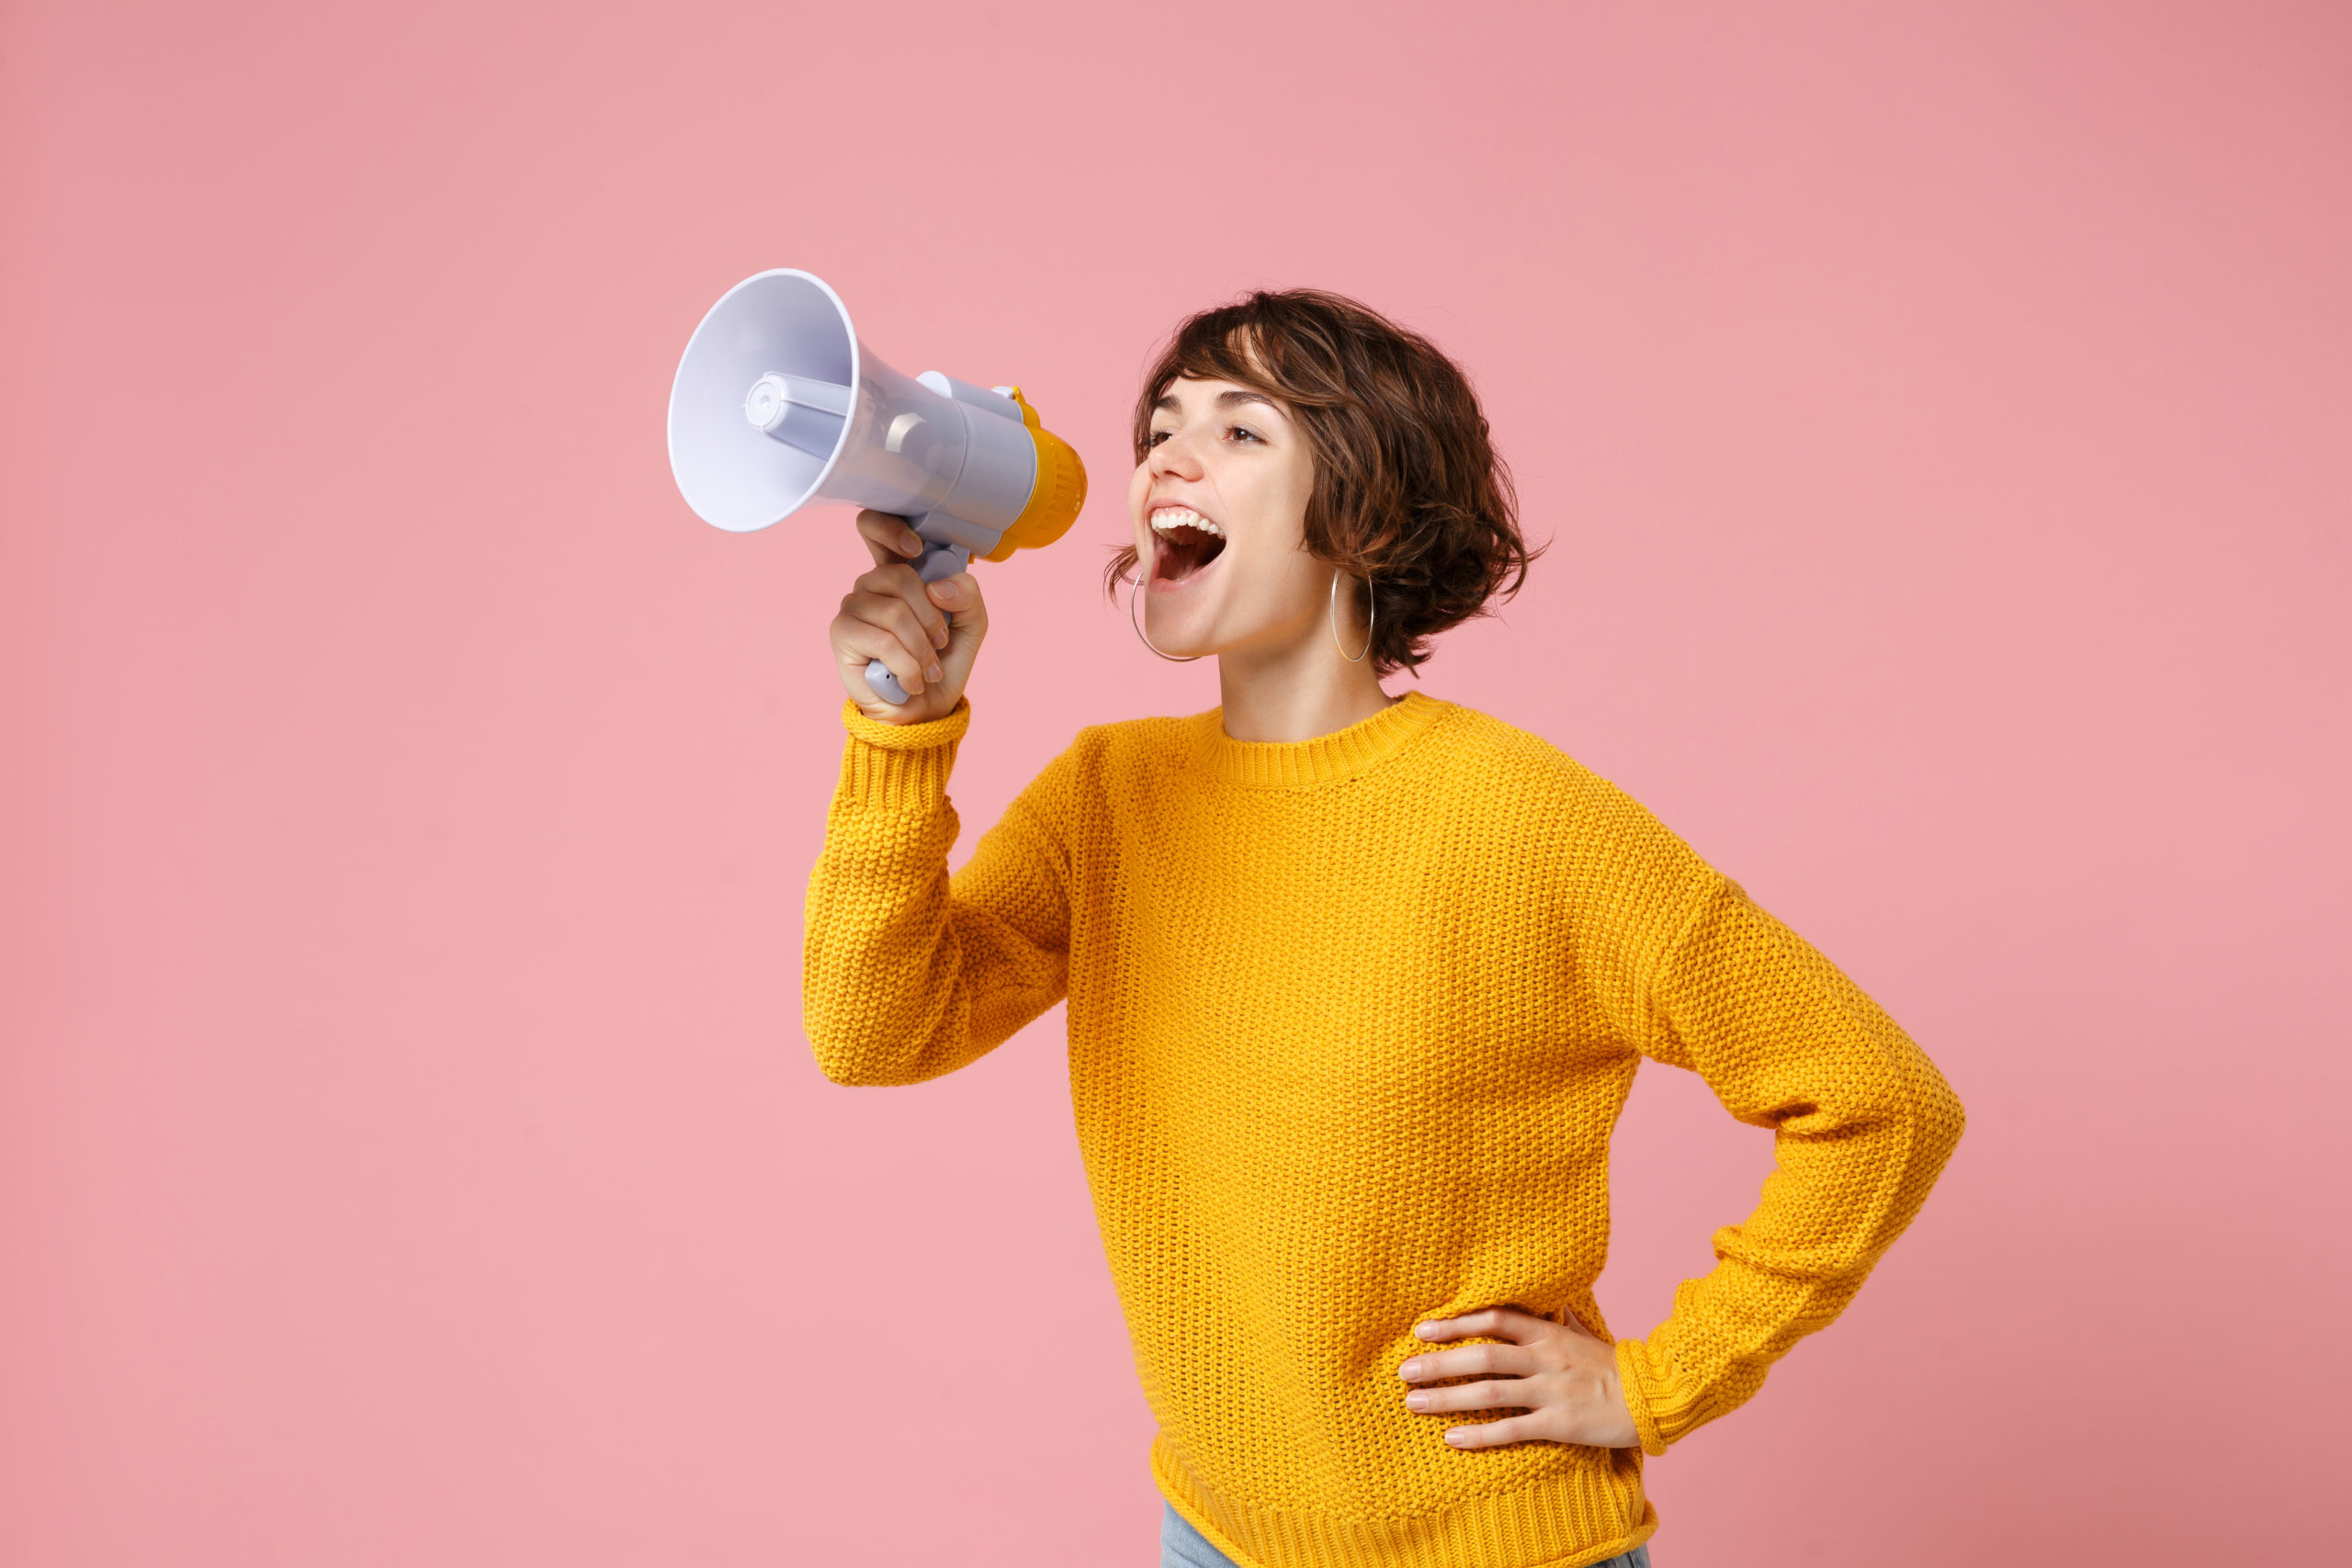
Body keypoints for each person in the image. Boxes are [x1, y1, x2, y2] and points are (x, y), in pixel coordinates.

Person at [804, 289, 1964, 1568]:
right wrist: (898, 734)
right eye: (1162, 428)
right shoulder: (1108, 798)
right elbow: (876, 1034)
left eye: (1242, 434)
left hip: (1490, 1552)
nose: (1166, 462)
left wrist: (1656, 1383)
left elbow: (1882, 1100)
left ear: (1372, 516)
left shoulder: (1521, 815)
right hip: (1215, 1537)